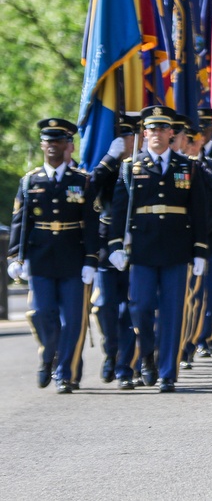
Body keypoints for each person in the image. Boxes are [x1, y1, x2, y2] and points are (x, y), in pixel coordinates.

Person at [107, 106, 209, 392]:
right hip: (143, 249)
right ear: (145, 134)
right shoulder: (131, 167)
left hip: (177, 248)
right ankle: (148, 355)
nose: (156, 134)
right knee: (139, 306)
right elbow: (118, 210)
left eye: (163, 130)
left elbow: (199, 211)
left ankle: (167, 373)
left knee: (173, 313)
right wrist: (115, 245)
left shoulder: (187, 166)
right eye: (151, 130)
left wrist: (200, 250)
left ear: (171, 134)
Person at [7, 118, 99, 393]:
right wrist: (15, 257)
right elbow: (20, 223)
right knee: (42, 313)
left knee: (73, 320)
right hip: (42, 258)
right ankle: (49, 355)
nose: (51, 146)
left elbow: (92, 224)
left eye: (57, 141)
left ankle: (65, 373)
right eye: (47, 141)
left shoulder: (81, 181)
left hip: (73, 258)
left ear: (68, 145)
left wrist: (91, 259)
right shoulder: (30, 181)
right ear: (42, 145)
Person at [90, 115, 139, 388]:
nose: (126, 142)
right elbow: (90, 190)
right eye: (121, 137)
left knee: (129, 311)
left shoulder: (142, 167)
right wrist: (110, 157)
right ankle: (111, 353)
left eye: (130, 136)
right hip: (107, 248)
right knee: (105, 307)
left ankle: (125, 368)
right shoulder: (106, 167)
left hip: (137, 245)